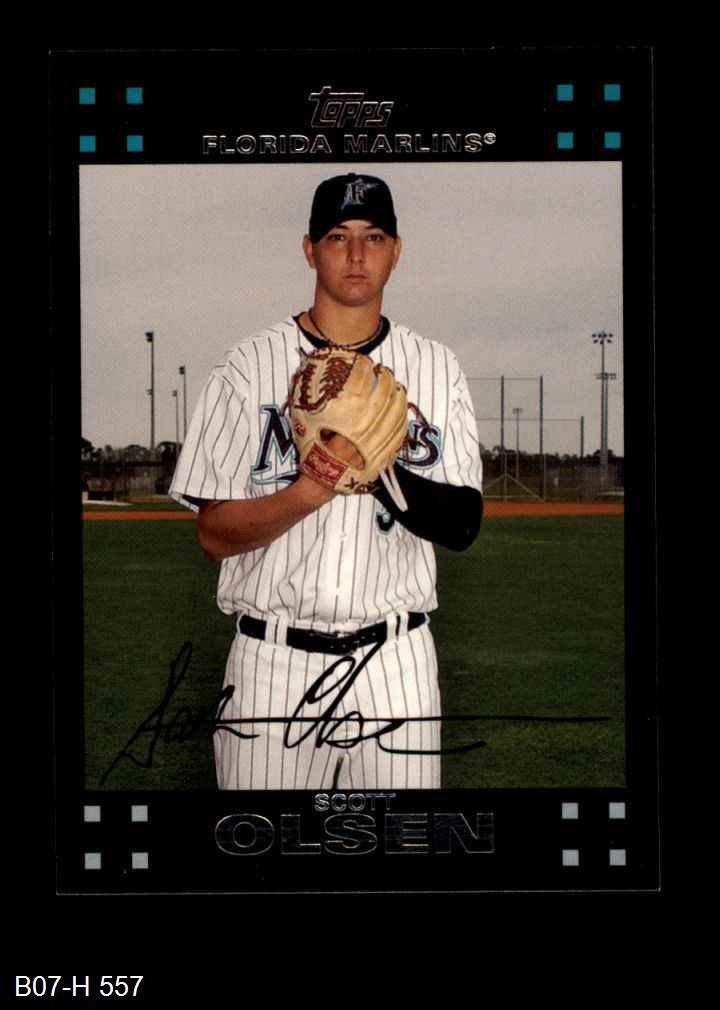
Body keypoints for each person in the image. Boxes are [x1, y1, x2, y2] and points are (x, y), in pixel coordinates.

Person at [170, 172, 483, 790]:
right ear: (310, 250)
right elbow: (213, 534)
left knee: (399, 846)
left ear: (397, 250)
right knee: (269, 845)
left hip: (396, 662)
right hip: (272, 662)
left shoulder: (436, 367)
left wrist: (375, 466)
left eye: (374, 237)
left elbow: (463, 523)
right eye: (339, 236)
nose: (357, 254)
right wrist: (311, 488)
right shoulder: (247, 367)